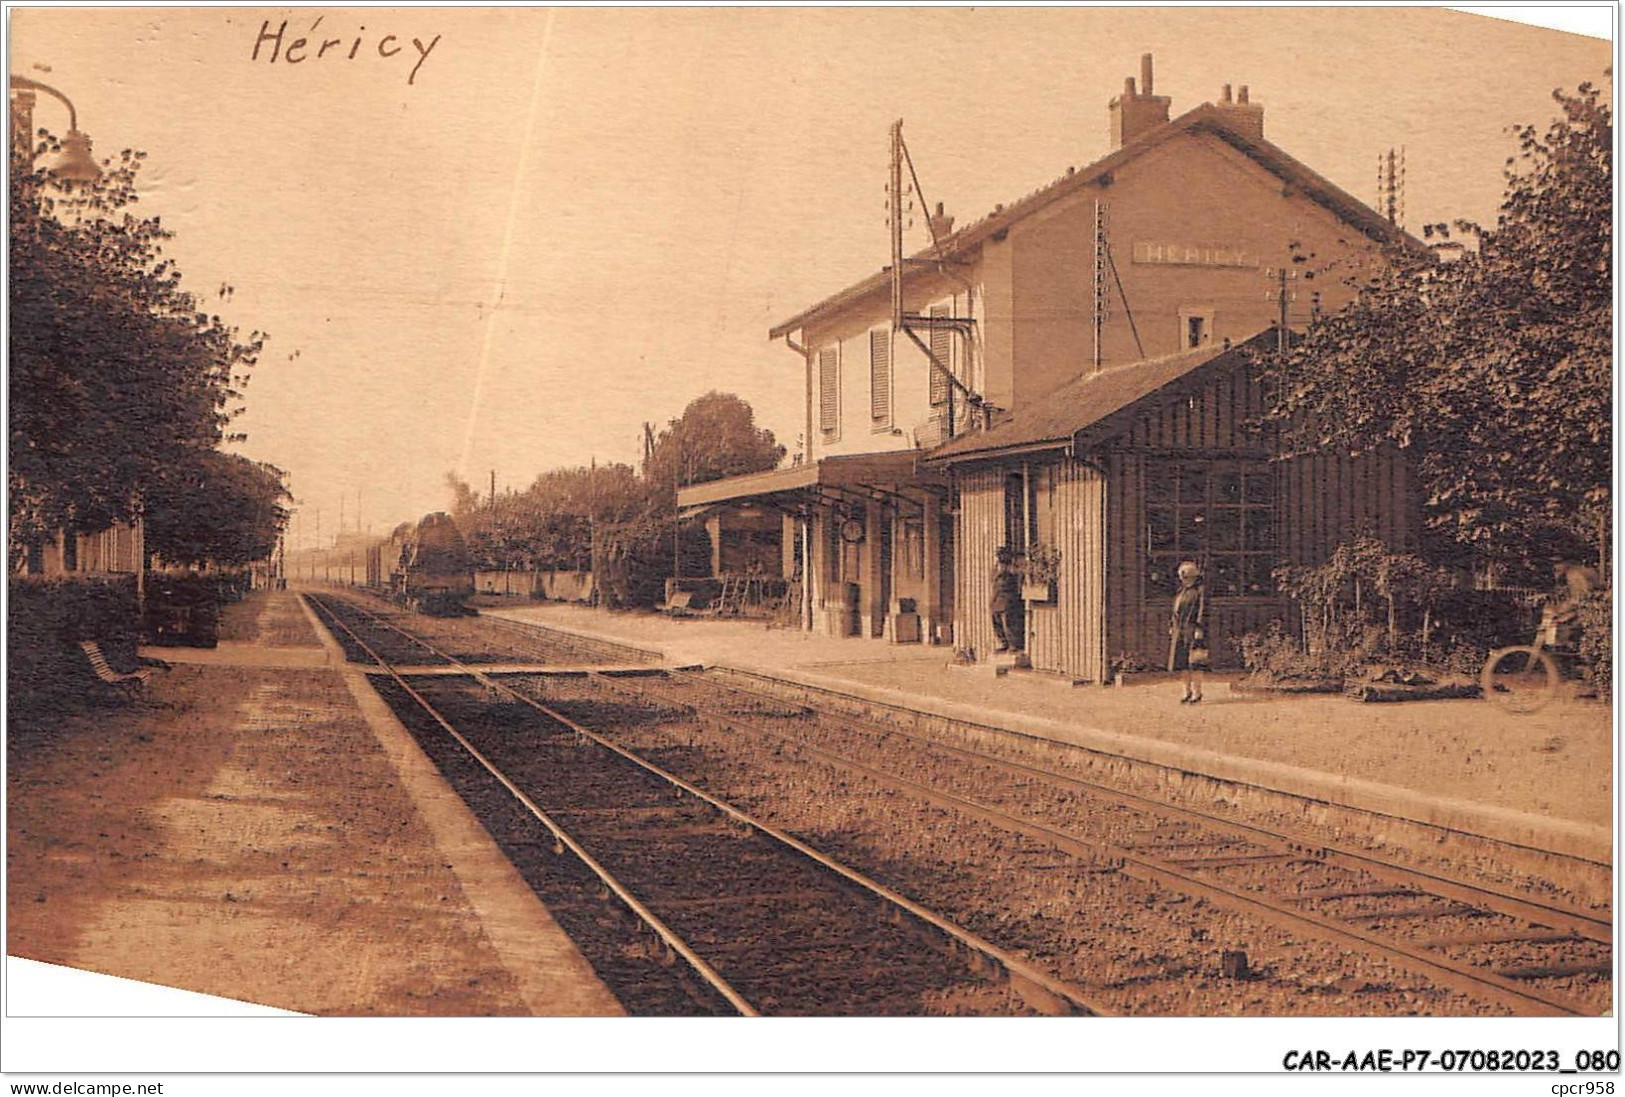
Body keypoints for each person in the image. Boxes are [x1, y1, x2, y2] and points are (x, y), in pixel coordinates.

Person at [1168, 560, 1208, 703]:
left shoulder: (1199, 591)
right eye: (1182, 577)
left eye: (1186, 577)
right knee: (1182, 662)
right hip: (1180, 630)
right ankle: (1186, 691)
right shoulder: (1181, 591)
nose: (1183, 579)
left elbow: (1203, 611)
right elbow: (1175, 610)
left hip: (1193, 630)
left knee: (1196, 663)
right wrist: (1172, 625)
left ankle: (1197, 693)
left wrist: (1199, 627)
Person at [990, 546, 1024, 654]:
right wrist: (992, 599)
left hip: (1009, 597)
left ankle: (1013, 644)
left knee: (1008, 622)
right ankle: (1003, 643)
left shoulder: (1012, 568)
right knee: (996, 620)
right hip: (998, 597)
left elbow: (1017, 581)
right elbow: (994, 584)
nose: (1000, 558)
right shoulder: (996, 568)